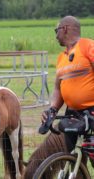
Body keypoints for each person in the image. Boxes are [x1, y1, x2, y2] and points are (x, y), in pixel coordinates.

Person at [41, 15, 94, 152]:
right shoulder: (61, 57)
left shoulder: (87, 46)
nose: (56, 36)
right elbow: (58, 89)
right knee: (71, 155)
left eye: (56, 30)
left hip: (91, 111)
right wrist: (52, 109)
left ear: (64, 29)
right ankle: (76, 173)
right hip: (72, 113)